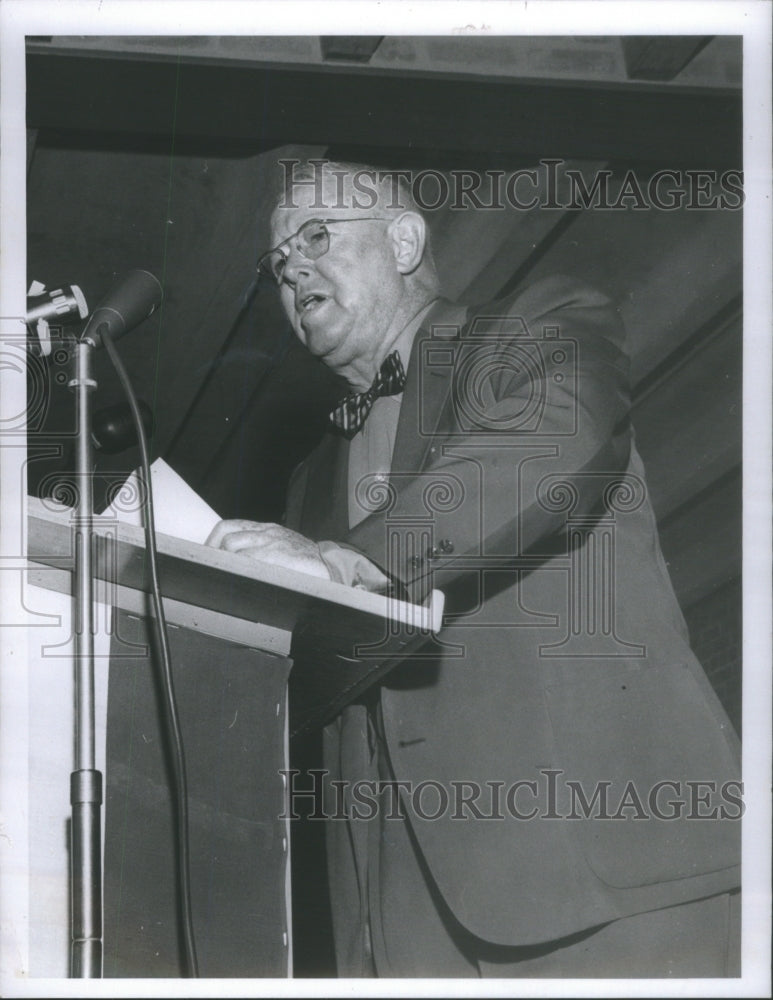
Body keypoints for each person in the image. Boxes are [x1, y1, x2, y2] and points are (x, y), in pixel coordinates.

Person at [206, 160, 741, 978]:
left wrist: (351, 559)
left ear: (405, 240)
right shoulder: (308, 482)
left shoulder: (531, 326)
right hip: (405, 931)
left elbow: (552, 439)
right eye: (277, 262)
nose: (293, 269)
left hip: (605, 881)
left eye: (316, 236)